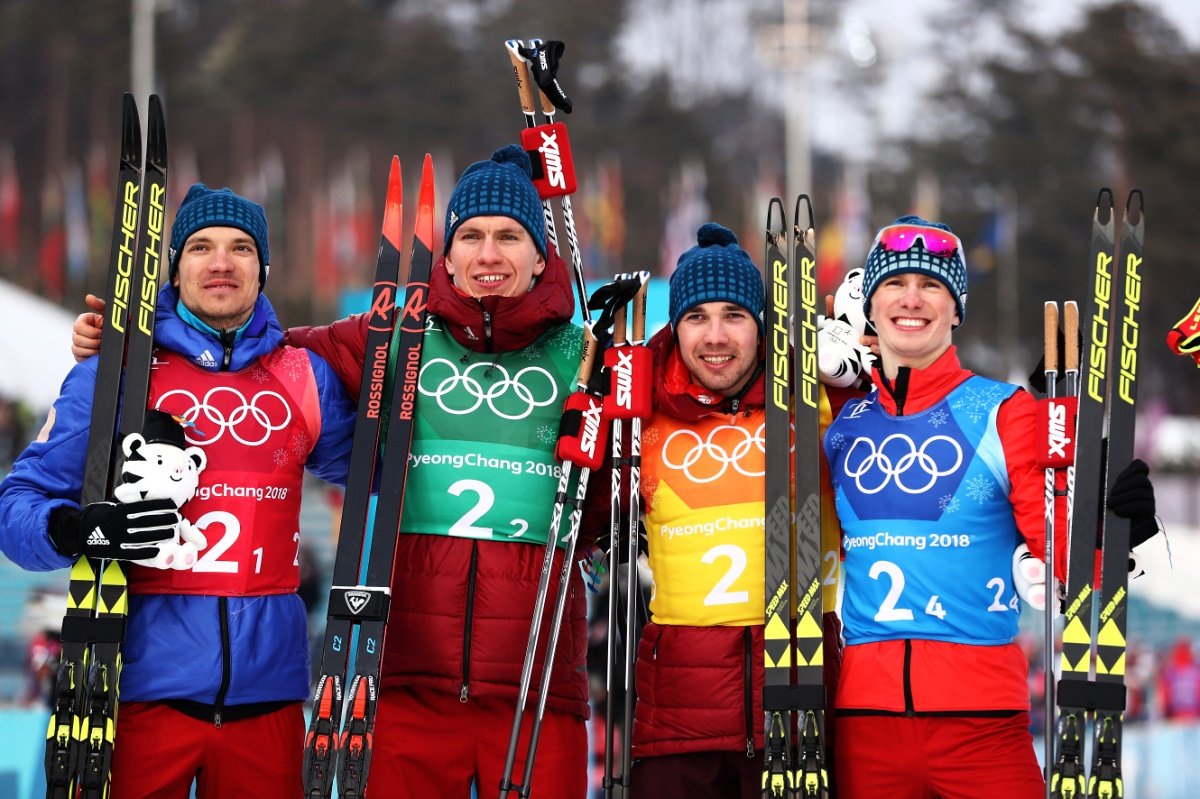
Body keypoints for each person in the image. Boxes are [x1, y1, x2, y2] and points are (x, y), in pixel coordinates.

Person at [70, 147, 594, 797]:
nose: (489, 254)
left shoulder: (587, 353)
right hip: (406, 676)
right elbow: (260, 345)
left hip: (538, 681)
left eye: (509, 236)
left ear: (541, 256)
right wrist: (136, 335)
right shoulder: (390, 337)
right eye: (471, 236)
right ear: (446, 256)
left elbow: (623, 481)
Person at [1, 184, 357, 797]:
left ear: (263, 268)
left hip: (269, 700)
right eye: (200, 247)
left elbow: (383, 474)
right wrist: (77, 528)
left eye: (241, 248)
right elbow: (17, 508)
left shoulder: (305, 376)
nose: (221, 263)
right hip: (141, 697)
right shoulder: (116, 373)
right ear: (174, 268)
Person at [822, 215, 1161, 798]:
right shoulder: (837, 420)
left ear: (956, 309)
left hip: (983, 722)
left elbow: (1060, 556)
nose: (911, 299)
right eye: (894, 283)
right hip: (865, 722)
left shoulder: (1005, 410)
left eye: (931, 286)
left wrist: (1118, 529)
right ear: (869, 306)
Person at [613, 223, 847, 798]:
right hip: (678, 726)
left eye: (734, 316)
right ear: (675, 325)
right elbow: (591, 520)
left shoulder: (816, 401)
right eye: (696, 317)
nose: (715, 336)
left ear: (760, 324)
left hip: (801, 709)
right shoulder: (642, 413)